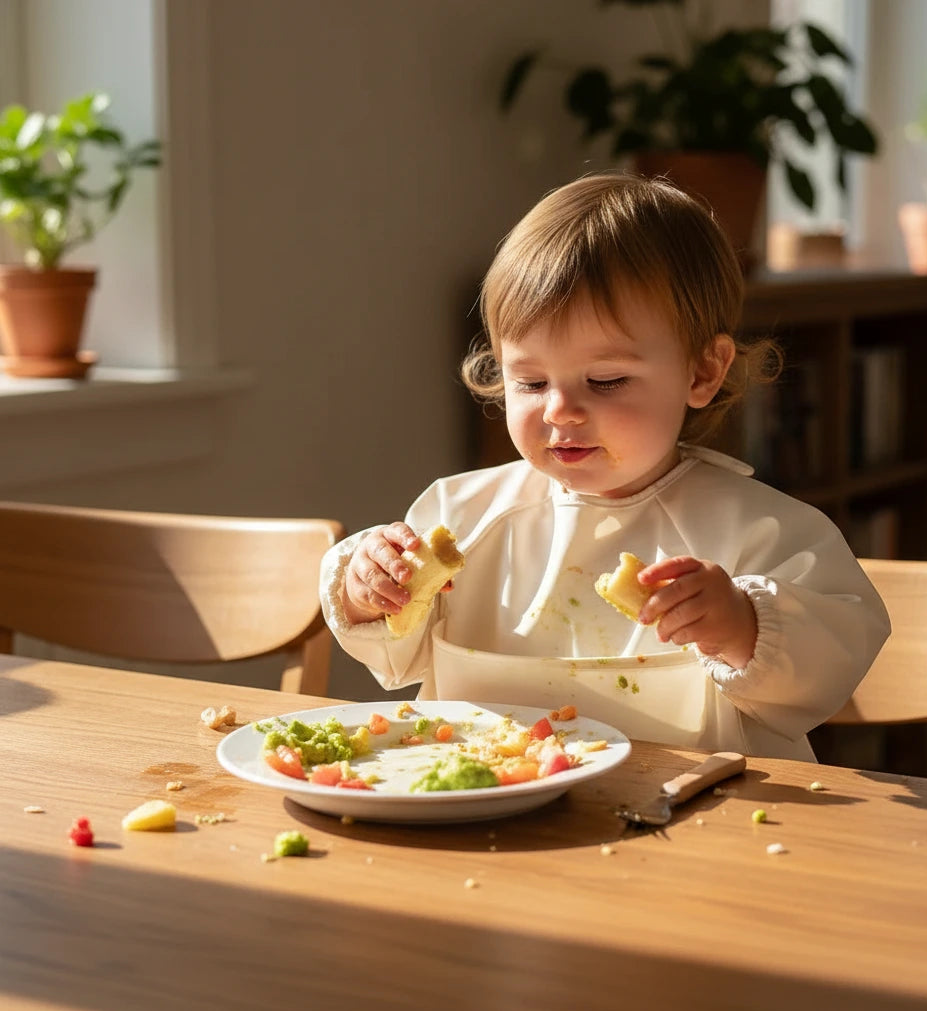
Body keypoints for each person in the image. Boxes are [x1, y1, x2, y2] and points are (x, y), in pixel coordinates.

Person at [320, 171, 890, 759]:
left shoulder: (760, 529)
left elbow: (834, 661)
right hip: (494, 816)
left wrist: (744, 626)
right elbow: (395, 652)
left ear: (702, 372)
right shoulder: (462, 513)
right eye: (532, 381)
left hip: (702, 824)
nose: (561, 410)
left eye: (606, 380)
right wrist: (367, 590)